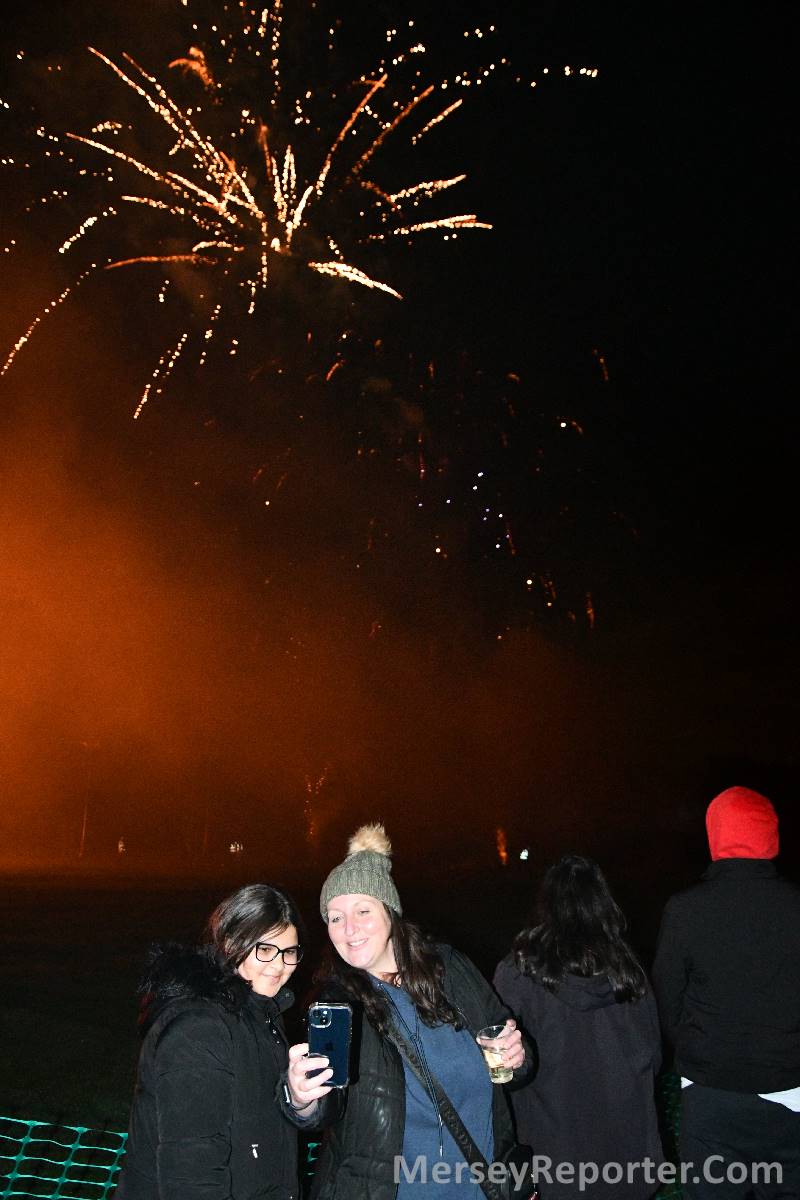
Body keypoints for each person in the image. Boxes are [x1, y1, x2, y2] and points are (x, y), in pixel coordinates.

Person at [286, 822, 528, 1199]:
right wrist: (301, 1098)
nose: (349, 929)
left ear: (390, 912)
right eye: (335, 917)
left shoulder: (452, 971)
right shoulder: (337, 1004)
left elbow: (511, 1053)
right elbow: (324, 1107)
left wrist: (518, 1055)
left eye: (362, 911)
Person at [115, 883, 328, 1200]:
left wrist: (299, 1100)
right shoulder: (199, 1029)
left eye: (289, 953)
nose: (279, 965)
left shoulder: (261, 1016)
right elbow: (192, 1173)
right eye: (265, 950)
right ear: (230, 943)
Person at [652, 786, 800, 1199]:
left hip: (710, 1092)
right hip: (790, 1090)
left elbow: (666, 999)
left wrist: (695, 1050)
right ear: (771, 836)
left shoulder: (685, 909)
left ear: (715, 835)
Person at [493, 853, 664, 1200]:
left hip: (557, 1162)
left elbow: (501, 1070)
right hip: (628, 1159)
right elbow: (653, 1056)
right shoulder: (628, 970)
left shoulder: (518, 973)